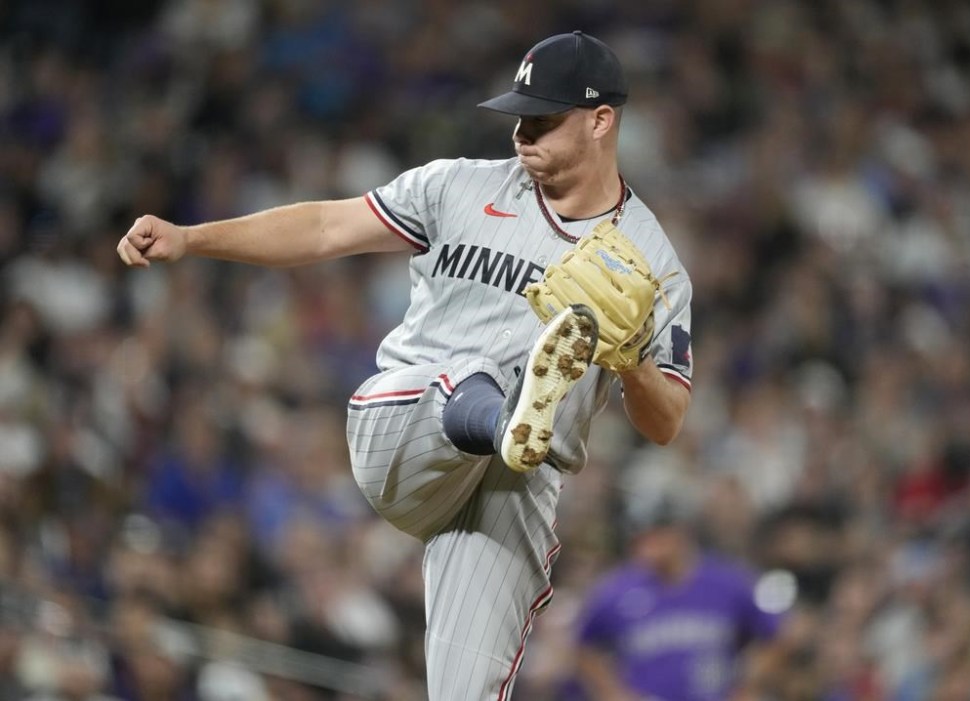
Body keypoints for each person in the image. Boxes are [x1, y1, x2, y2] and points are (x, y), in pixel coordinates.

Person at [116, 30, 694, 700]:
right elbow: (326, 228)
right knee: (471, 370)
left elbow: (666, 420)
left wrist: (629, 364)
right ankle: (502, 413)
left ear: (600, 121)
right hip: (405, 424)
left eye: (543, 119)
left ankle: (510, 422)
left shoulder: (652, 259)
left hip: (512, 482)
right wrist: (193, 237)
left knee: (466, 690)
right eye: (518, 116)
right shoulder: (456, 186)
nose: (521, 133)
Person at [572, 498, 785, 701]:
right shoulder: (618, 589)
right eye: (642, 536)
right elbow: (582, 645)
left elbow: (775, 633)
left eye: (657, 534)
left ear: (681, 533)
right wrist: (612, 692)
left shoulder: (727, 581)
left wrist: (748, 687)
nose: (649, 545)